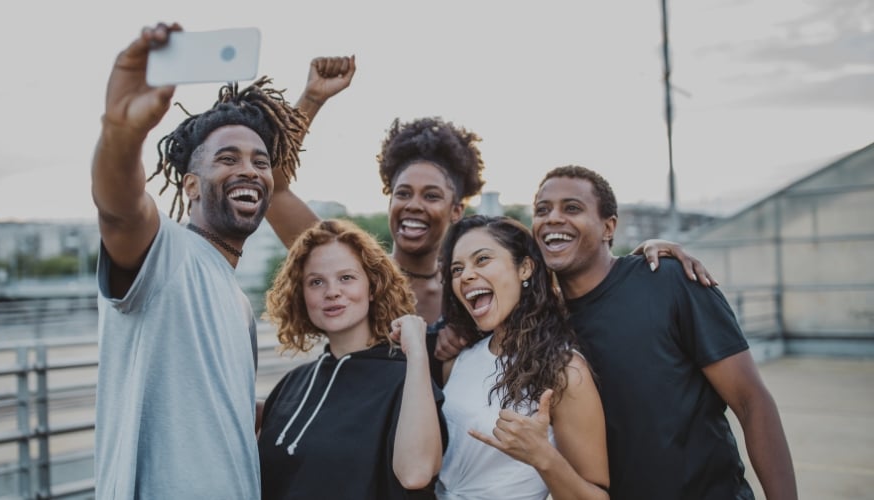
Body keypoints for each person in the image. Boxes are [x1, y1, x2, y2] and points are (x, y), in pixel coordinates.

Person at [270, 56, 717, 369]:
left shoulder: (489, 283)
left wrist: (646, 253)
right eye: (402, 193)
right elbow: (273, 187)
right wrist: (312, 99)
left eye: (431, 195)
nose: (413, 206)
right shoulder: (356, 277)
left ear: (456, 207)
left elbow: (580, 268)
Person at [91, 23, 307, 498]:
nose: (248, 169)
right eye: (227, 158)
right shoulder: (165, 254)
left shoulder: (233, 296)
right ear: (191, 185)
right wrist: (121, 134)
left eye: (260, 162)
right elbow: (120, 209)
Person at [531, 165, 797, 499]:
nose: (552, 218)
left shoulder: (668, 280)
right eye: (542, 210)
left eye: (572, 208)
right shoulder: (543, 324)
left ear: (608, 227)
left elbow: (751, 401)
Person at [258, 219, 445, 499]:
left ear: (372, 287)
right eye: (316, 281)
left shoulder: (406, 380)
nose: (332, 291)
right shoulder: (291, 384)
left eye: (346, 278)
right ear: (301, 294)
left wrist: (417, 351)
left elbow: (417, 473)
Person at [435, 215, 610, 499]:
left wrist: (543, 457)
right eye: (457, 269)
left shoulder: (565, 371)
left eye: (481, 260)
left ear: (525, 268)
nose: (465, 275)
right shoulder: (458, 360)